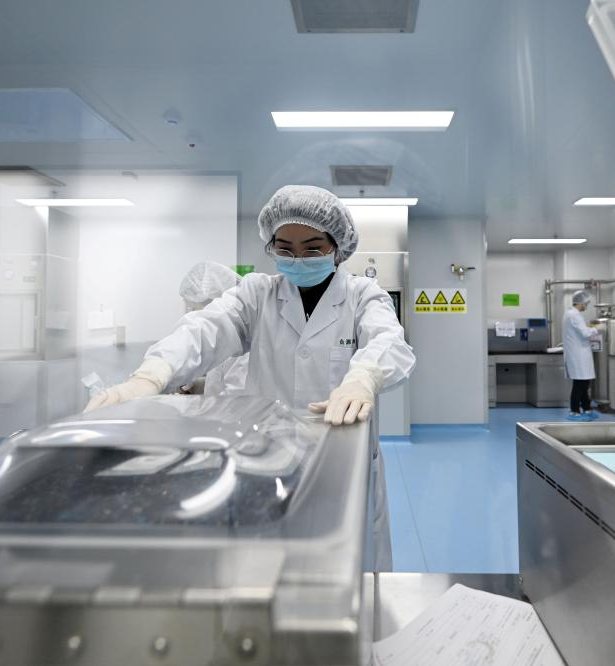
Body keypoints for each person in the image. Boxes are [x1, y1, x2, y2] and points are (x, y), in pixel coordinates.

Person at [84, 184, 415, 570]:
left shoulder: (362, 295)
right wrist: (152, 375)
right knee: (270, 569)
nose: (298, 259)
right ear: (271, 247)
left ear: (337, 247)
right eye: (285, 249)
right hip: (271, 461)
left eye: (312, 249)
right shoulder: (257, 294)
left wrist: (364, 377)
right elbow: (204, 328)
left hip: (343, 463)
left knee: (349, 569)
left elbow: (388, 340)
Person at [177, 261, 249, 397]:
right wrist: (199, 386)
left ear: (215, 304)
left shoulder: (243, 346)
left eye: (195, 308)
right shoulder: (223, 337)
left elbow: (237, 400)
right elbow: (220, 382)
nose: (193, 315)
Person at [563, 289, 600, 421]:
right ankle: (574, 411)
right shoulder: (575, 315)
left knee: (584, 383)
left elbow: (581, 331)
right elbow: (584, 333)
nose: (586, 306)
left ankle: (587, 408)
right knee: (580, 384)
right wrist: (597, 329)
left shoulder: (570, 314)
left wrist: (592, 329)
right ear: (581, 303)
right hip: (578, 355)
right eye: (586, 303)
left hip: (579, 354)